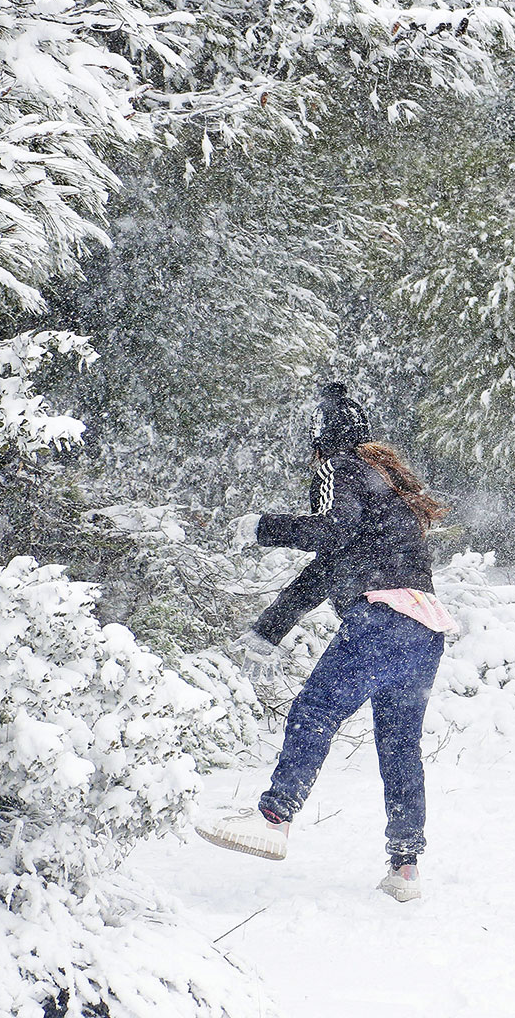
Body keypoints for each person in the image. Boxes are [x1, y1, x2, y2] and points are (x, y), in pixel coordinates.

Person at [197, 384, 455, 903]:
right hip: (425, 629)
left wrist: (262, 526)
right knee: (400, 746)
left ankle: (274, 816)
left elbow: (332, 533)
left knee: (315, 710)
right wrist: (271, 628)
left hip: (380, 620)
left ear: (322, 439)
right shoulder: (386, 488)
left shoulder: (340, 468)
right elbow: (332, 566)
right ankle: (405, 867)